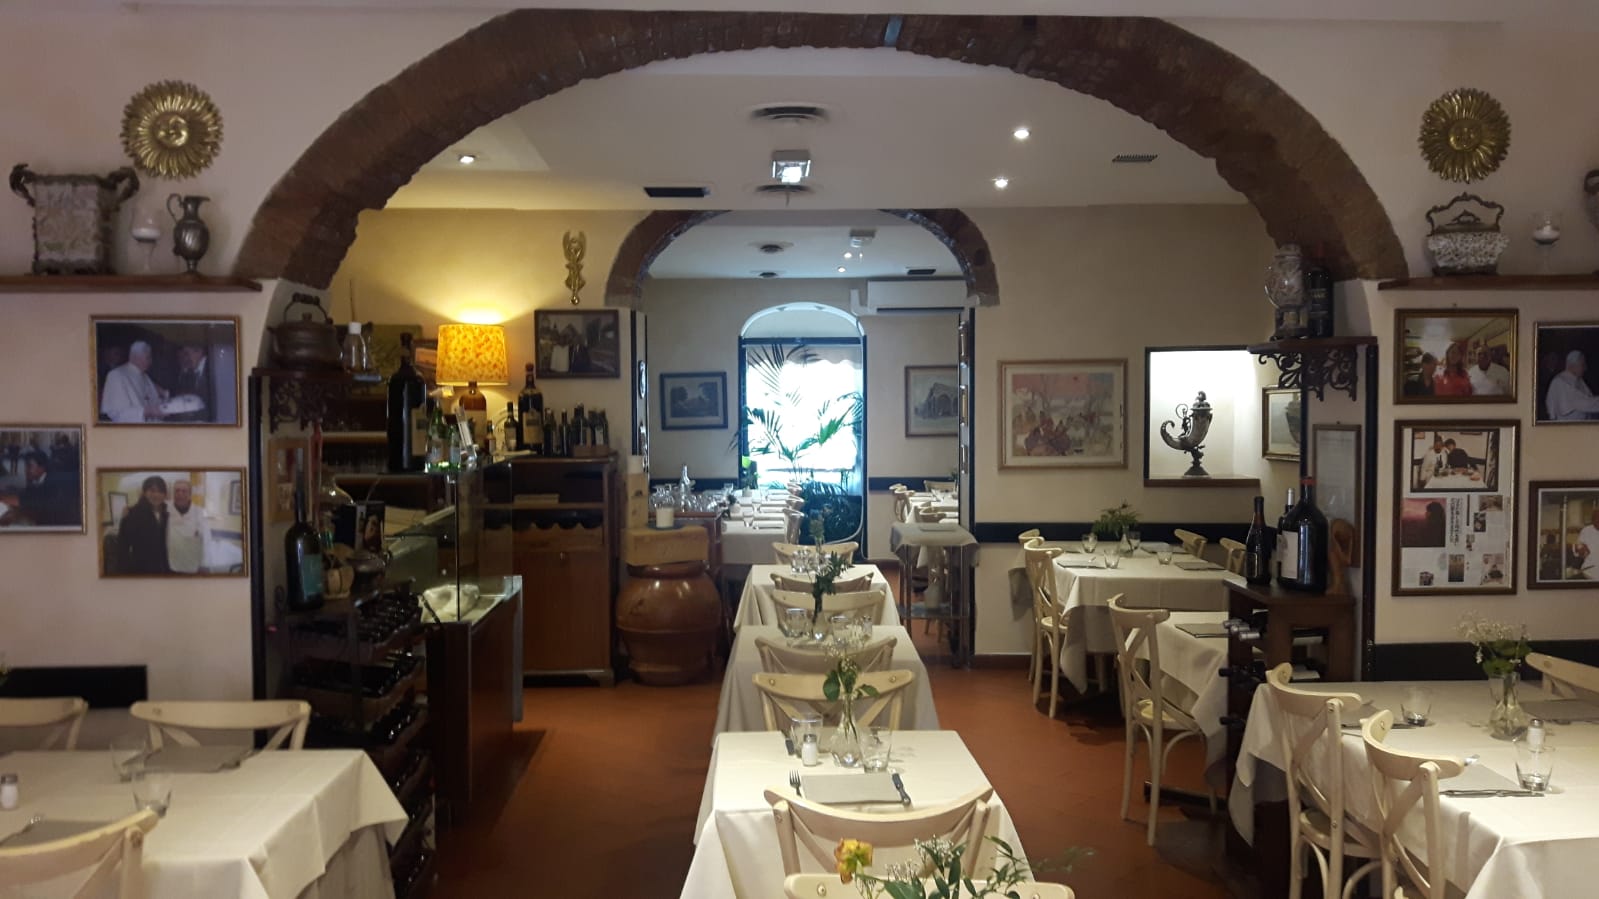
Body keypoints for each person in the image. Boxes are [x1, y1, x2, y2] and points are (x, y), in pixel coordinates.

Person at [100, 341, 168, 423]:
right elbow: (116, 413)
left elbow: (154, 403)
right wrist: (147, 412)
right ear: (135, 357)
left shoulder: (145, 376)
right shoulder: (116, 375)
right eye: (148, 357)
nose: (151, 361)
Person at [115, 476, 170, 574]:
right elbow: (123, 547)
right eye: (152, 490)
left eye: (160, 491)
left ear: (165, 494)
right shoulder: (132, 513)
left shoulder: (167, 513)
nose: (156, 495)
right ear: (144, 492)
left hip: (165, 568)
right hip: (142, 570)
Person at [20, 449, 78, 527]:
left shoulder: (51, 483)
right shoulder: (35, 481)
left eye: (29, 466)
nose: (25, 470)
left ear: (42, 467)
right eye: (25, 466)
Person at [165, 479, 211, 574]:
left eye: (184, 491)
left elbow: (207, 541)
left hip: (192, 566)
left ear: (190, 494)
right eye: (177, 491)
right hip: (170, 565)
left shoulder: (200, 512)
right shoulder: (166, 509)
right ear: (173, 493)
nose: (180, 494)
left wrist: (205, 565)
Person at [1545, 350, 1599, 421]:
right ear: (1572, 365)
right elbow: (1582, 403)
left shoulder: (1579, 380)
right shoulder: (1560, 381)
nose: (1585, 368)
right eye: (1582, 365)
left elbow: (1590, 398)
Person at [1575, 507, 1599, 580]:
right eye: (1596, 518)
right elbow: (1578, 550)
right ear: (1592, 520)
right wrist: (1581, 550)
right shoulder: (1586, 531)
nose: (1598, 520)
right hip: (1589, 572)